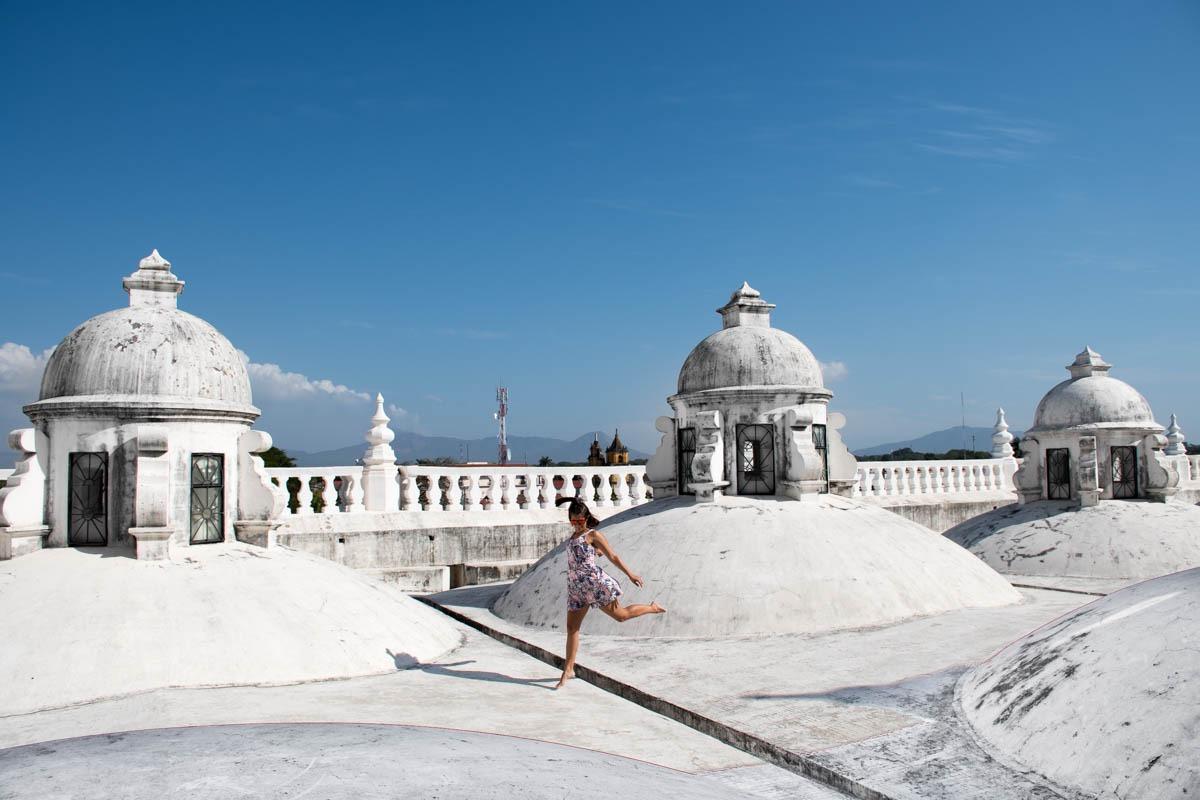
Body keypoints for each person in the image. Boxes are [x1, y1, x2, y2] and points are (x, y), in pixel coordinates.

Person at [554, 496, 665, 689]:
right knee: (572, 629)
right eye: (573, 521)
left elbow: (612, 555)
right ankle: (568, 670)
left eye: (580, 521)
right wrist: (592, 553)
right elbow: (585, 555)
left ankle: (652, 608)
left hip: (595, 586)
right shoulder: (573, 538)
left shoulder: (593, 535)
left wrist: (630, 574)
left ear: (586, 518)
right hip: (576, 589)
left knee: (621, 616)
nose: (577, 525)